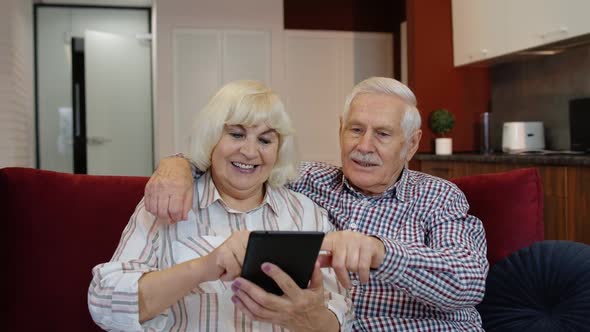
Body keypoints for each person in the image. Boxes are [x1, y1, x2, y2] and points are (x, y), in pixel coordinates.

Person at [145, 77, 489, 331]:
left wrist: (380, 252)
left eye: (382, 134)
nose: (364, 146)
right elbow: (241, 161)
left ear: (411, 145)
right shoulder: (307, 180)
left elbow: (470, 282)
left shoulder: (438, 196)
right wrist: (176, 165)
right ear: (340, 130)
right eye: (355, 130)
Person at [88, 80, 351, 331]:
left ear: (279, 149)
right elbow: (104, 304)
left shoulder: (306, 213)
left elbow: (343, 316)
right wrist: (203, 268)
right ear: (212, 138)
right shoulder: (167, 201)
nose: (250, 151)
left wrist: (313, 318)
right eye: (236, 134)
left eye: (265, 140)